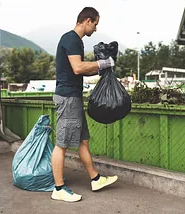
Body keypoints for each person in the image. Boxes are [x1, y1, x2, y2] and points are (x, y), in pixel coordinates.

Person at [51, 7, 118, 202]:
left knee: (82, 141)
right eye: (95, 24)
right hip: (68, 98)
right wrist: (101, 64)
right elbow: (78, 67)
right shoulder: (71, 39)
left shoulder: (75, 41)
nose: (95, 29)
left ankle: (95, 178)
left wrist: (102, 69)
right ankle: (59, 188)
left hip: (74, 97)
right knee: (62, 145)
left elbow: (79, 70)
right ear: (87, 20)